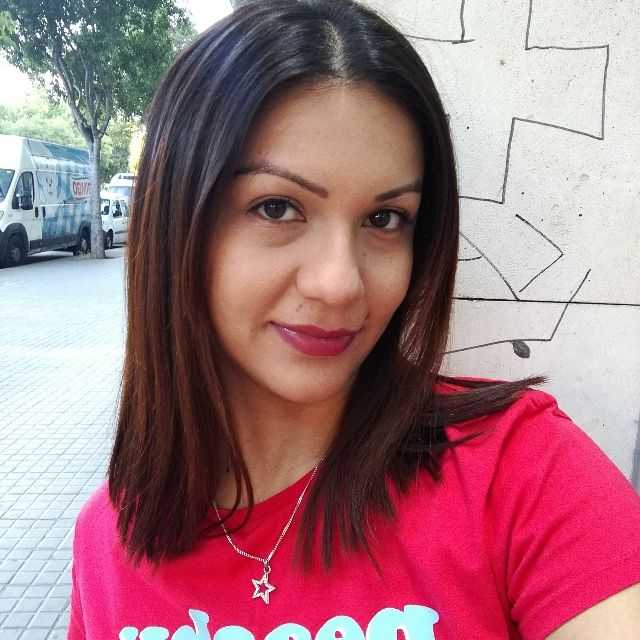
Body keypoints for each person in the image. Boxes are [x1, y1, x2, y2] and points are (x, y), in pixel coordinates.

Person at [67, 1, 640, 638]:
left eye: (384, 219)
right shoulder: (109, 538)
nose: (340, 283)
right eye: (277, 207)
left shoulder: (518, 471)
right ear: (177, 225)